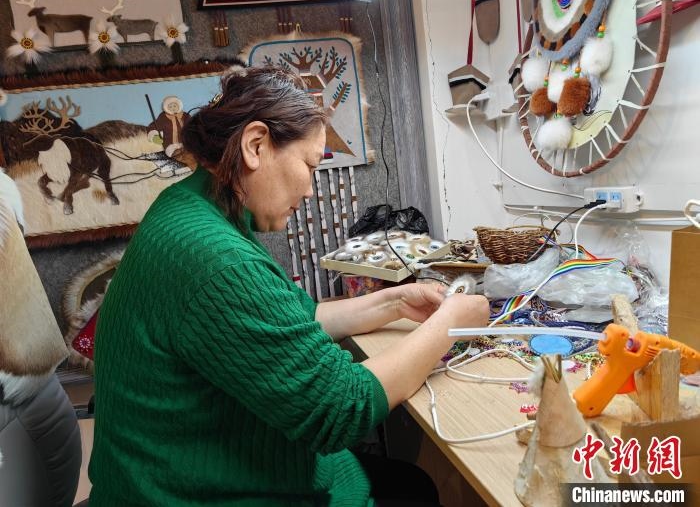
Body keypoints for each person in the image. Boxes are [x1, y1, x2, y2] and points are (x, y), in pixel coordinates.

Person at [89, 65, 489, 507]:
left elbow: (300, 316)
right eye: (309, 166)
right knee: (414, 490)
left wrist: (395, 301)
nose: (311, 190)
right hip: (186, 495)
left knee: (409, 484)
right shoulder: (217, 260)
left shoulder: (189, 208)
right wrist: (450, 325)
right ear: (255, 145)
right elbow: (343, 408)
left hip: (165, 479)